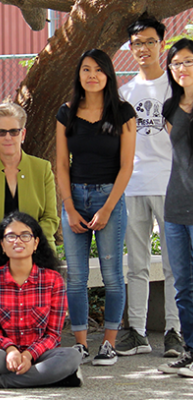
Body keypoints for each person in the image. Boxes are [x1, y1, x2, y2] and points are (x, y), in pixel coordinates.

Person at [56, 49, 136, 367]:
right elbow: (62, 165)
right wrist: (69, 208)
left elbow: (127, 166)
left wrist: (107, 209)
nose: (92, 75)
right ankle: (80, 345)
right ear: (79, 75)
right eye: (86, 69)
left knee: (112, 276)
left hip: (109, 199)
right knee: (75, 277)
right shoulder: (66, 112)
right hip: (74, 198)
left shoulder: (123, 112)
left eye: (98, 70)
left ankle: (108, 345)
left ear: (108, 75)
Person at [117, 17, 184, 358]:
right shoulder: (124, 93)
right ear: (130, 47)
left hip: (173, 186)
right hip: (133, 187)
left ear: (162, 43)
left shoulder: (177, 87)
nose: (143, 48)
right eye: (137, 43)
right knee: (137, 263)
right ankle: (138, 332)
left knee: (175, 263)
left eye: (149, 41)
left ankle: (175, 330)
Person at [0, 212, 82, 390]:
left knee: (72, 356)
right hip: (2, 354)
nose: (18, 241)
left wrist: (29, 355)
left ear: (35, 243)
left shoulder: (53, 280)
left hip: (41, 355)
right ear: (2, 245)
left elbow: (53, 335)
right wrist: (11, 350)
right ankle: (50, 377)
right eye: (11, 236)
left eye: (25, 236)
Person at [0, 101, 59, 273]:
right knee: (0, 268)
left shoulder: (42, 169)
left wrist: (27, 242)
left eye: (14, 132)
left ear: (22, 134)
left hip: (36, 245)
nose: (8, 137)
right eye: (2, 132)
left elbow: (50, 219)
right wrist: (5, 243)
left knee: (37, 268)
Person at [158, 38, 193, 377]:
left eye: (188, 61)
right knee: (183, 283)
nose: (181, 68)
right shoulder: (169, 108)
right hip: (176, 205)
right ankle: (190, 351)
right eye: (176, 63)